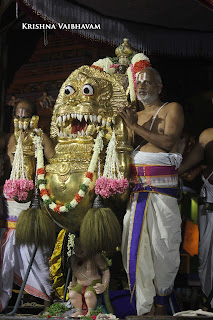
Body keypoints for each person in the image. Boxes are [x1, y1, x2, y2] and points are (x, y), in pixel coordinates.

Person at [119, 66, 184, 315]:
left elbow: (168, 143)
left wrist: (134, 127)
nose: (142, 86)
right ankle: (143, 309)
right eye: (138, 83)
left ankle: (160, 306)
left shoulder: (171, 108)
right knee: (134, 250)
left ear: (159, 86)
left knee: (164, 249)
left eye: (147, 82)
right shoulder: (133, 114)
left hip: (162, 194)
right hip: (136, 196)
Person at [0, 99, 55, 313]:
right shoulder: (9, 139)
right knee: (6, 252)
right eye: (18, 116)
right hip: (8, 202)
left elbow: (55, 166)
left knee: (35, 250)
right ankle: (6, 299)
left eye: (26, 116)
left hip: (31, 204)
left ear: (35, 118)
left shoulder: (40, 138)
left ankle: (45, 300)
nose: (21, 121)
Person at [179, 127, 213, 310]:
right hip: (207, 203)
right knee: (206, 253)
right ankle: (209, 300)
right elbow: (186, 168)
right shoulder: (207, 135)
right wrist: (172, 173)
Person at [68, 237, 110, 317]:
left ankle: (90, 312)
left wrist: (104, 286)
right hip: (79, 284)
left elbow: (106, 271)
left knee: (89, 295)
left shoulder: (95, 257)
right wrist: (73, 282)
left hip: (93, 284)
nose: (78, 249)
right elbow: (75, 272)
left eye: (81, 245)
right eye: (76, 245)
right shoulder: (73, 259)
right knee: (72, 294)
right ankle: (78, 311)